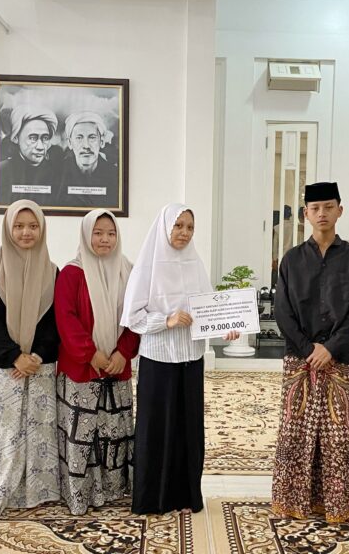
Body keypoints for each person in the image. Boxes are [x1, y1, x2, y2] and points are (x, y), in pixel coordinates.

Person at [121, 203, 238, 515]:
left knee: (188, 429)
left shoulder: (195, 264)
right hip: (158, 359)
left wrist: (226, 327)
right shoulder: (147, 266)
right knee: (157, 428)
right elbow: (132, 317)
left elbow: (210, 310)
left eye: (189, 227)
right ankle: (153, 498)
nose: (184, 233)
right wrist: (166, 320)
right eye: (178, 226)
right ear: (165, 227)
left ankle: (186, 496)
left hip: (190, 358)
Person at [271, 182, 349, 525]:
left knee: (340, 436)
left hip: (339, 358)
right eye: (315, 208)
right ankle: (291, 501)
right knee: (296, 432)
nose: (322, 213)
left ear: (340, 210)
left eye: (329, 206)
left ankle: (340, 505)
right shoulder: (292, 259)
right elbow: (282, 311)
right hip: (300, 359)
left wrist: (331, 347)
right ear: (305, 214)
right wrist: (308, 348)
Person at [0, 199, 61, 522]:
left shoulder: (51, 270)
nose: (26, 232)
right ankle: (1, 492)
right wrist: (13, 356)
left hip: (40, 365)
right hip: (3, 367)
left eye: (33, 226)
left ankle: (37, 493)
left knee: (39, 433)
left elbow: (54, 322)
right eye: (19, 226)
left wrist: (36, 355)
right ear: (8, 228)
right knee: (5, 435)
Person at [55, 209, 139, 515]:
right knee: (83, 433)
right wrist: (91, 354)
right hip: (82, 369)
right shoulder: (72, 273)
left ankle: (114, 489)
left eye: (111, 233)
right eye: (98, 233)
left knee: (113, 432)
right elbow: (66, 319)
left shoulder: (128, 271)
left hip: (117, 368)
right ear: (86, 234)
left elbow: (136, 317)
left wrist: (123, 352)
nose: (105, 239)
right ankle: (82, 493)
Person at [0, 107, 61, 207]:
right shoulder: (1, 171)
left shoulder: (58, 174)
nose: (40, 147)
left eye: (45, 138)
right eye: (33, 138)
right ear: (16, 138)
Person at [56, 112, 120, 209]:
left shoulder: (115, 176)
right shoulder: (57, 174)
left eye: (92, 137)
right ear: (70, 143)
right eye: (79, 138)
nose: (86, 146)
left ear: (102, 142)